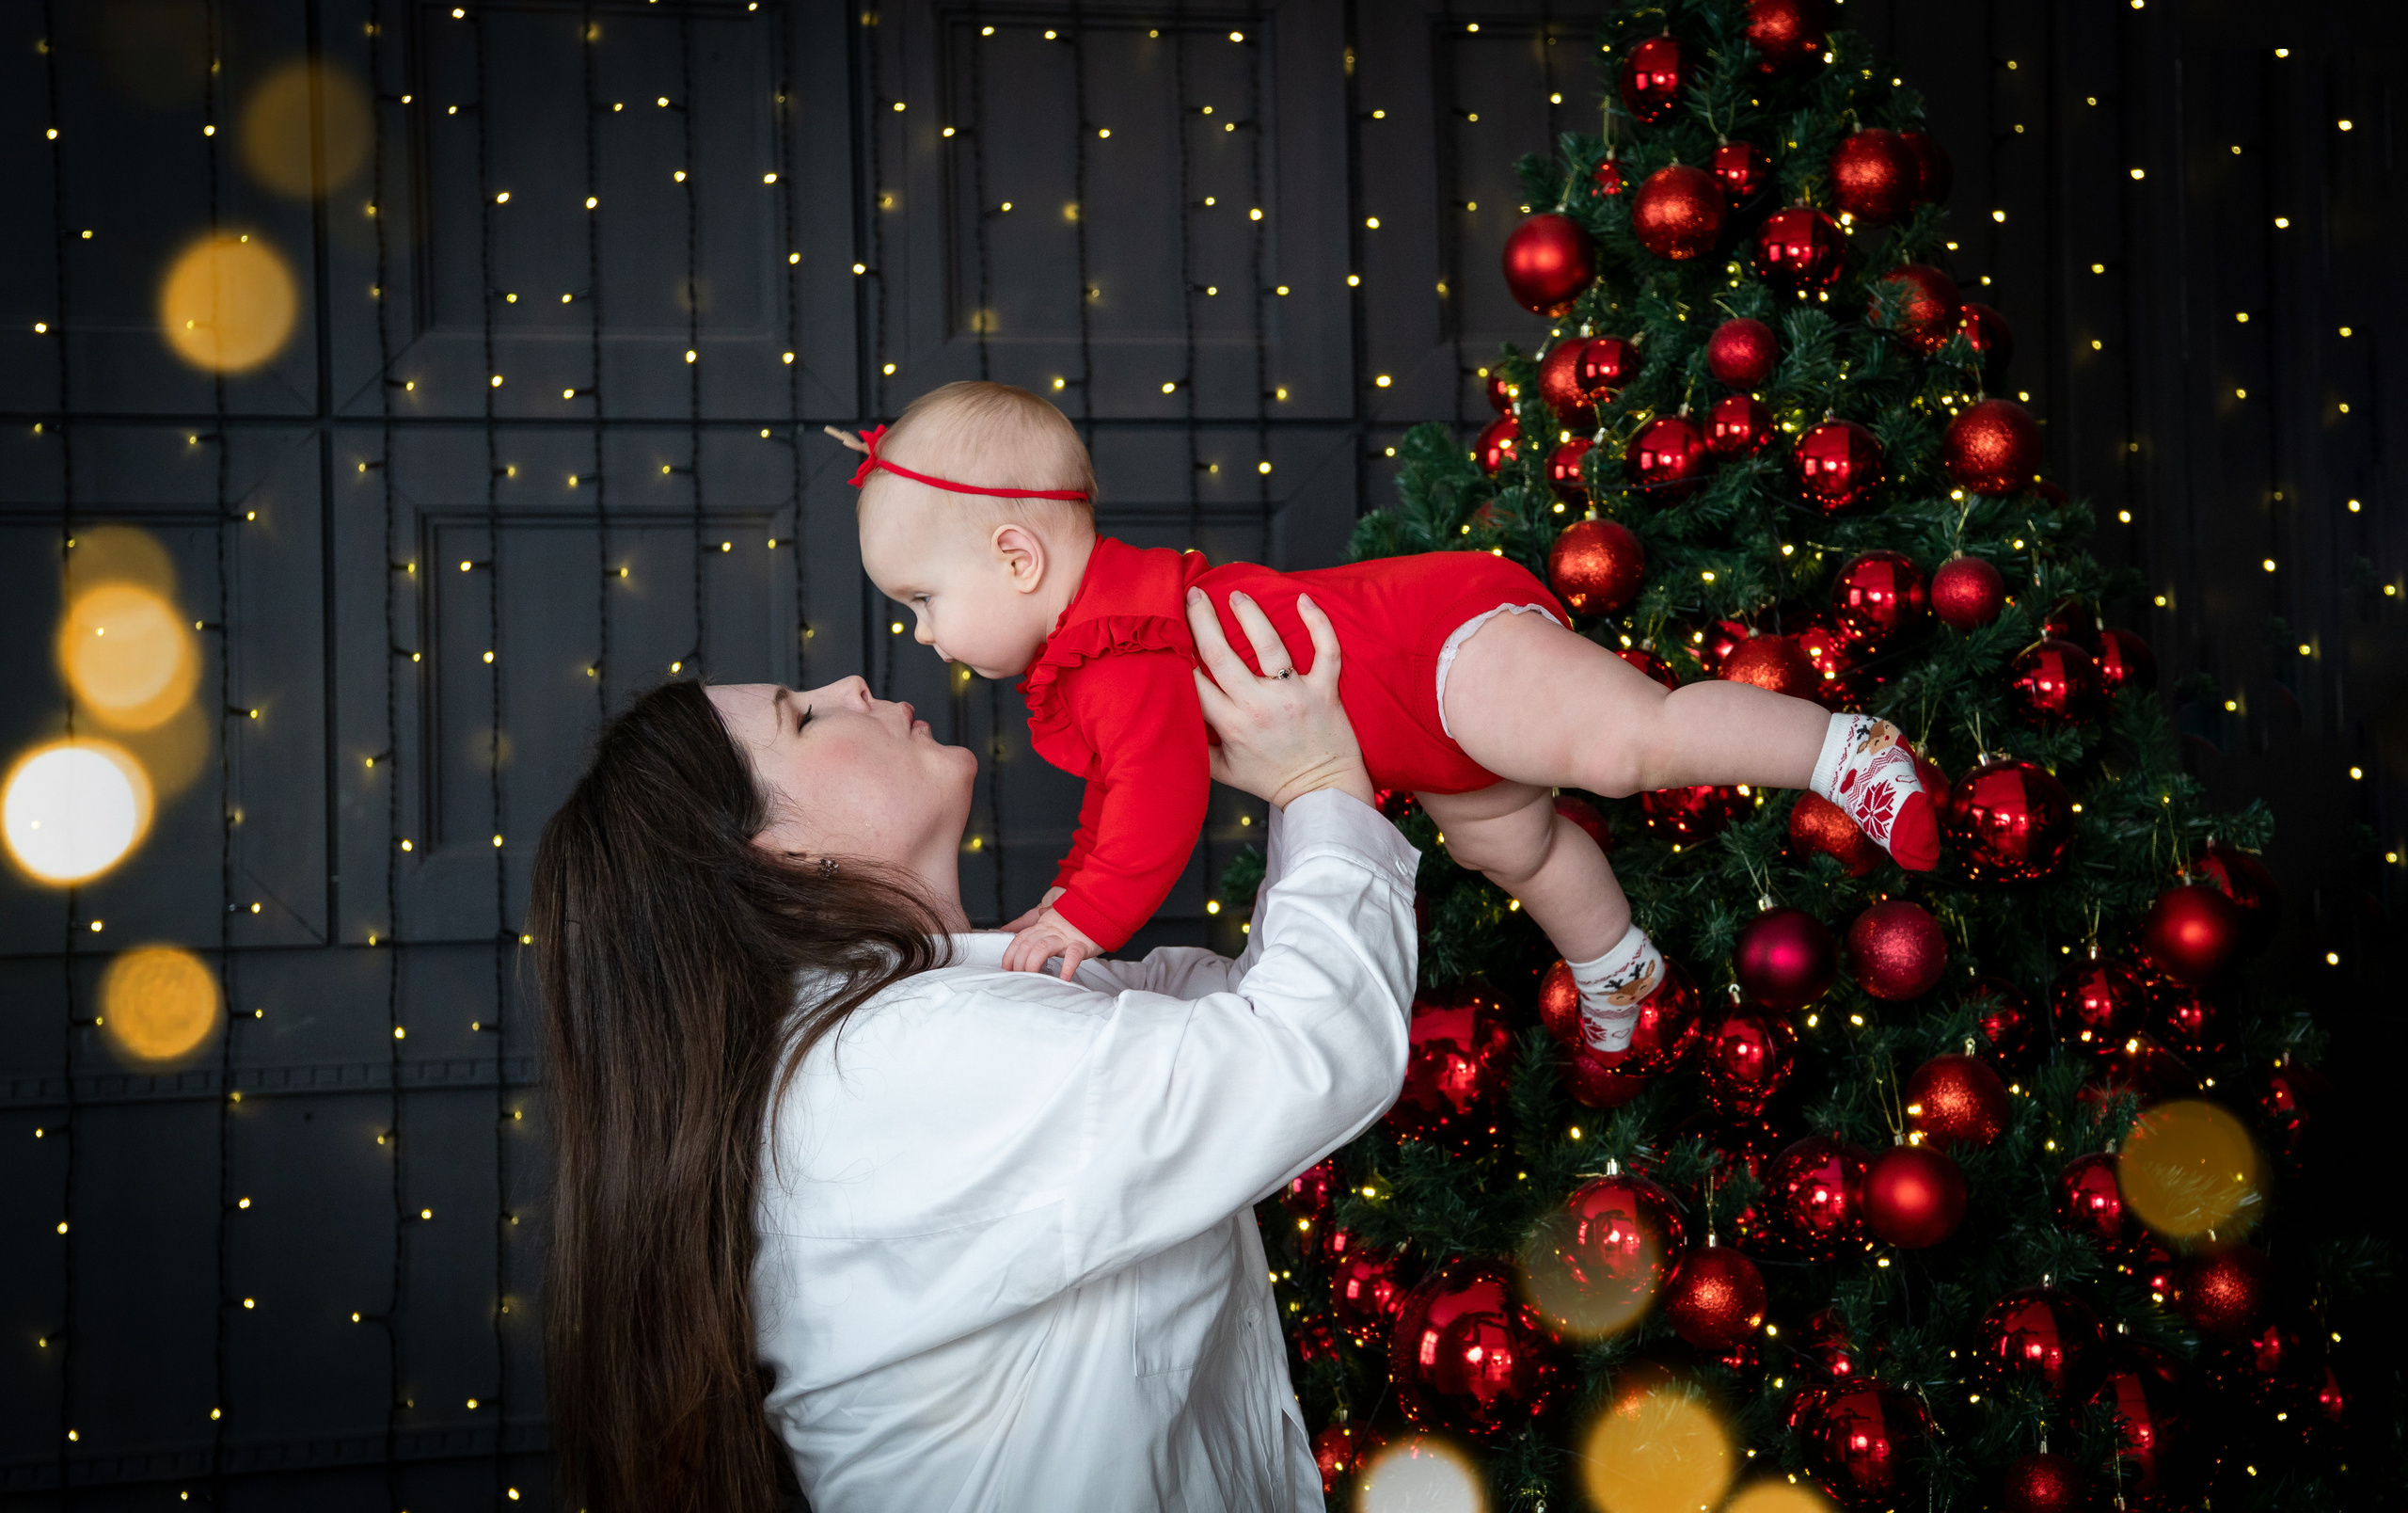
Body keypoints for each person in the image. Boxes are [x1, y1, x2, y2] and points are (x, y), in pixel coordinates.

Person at [529, 590, 1417, 1512]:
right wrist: (1317, 780)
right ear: (779, 857)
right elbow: (1307, 1051)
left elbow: (1231, 1012)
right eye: (803, 715)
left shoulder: (909, 1029)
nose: (852, 683)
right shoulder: (894, 1063)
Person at [834, 380, 1935, 1054]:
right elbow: (1122, 795)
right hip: (1411, 735)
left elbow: (1157, 804)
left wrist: (1089, 919)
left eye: (922, 603)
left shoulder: (1122, 651)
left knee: (1620, 744)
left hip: (1433, 648)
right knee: (1513, 843)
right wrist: (1070, 899)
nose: (923, 636)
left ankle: (1845, 750)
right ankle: (1617, 967)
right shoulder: (1097, 656)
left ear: (1016, 557)